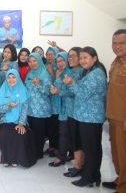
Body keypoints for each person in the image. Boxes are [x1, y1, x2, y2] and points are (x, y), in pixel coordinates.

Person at [63, 46, 107, 187]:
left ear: (94, 58)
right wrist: (73, 84)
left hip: (91, 117)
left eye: (85, 58)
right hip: (86, 117)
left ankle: (89, 177)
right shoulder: (89, 72)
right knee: (92, 148)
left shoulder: (96, 74)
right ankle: (93, 175)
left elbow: (82, 93)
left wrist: (71, 83)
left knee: (91, 149)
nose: (82, 61)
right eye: (80, 58)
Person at [0, 69, 37, 168]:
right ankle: (7, 159)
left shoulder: (23, 90)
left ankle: (16, 159)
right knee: (5, 132)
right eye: (9, 77)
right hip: (5, 120)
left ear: (18, 78)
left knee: (20, 132)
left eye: (14, 77)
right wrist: (8, 106)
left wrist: (21, 123)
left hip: (20, 120)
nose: (11, 80)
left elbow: (25, 109)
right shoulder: (2, 90)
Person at [103, 29, 126, 193]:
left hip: (123, 118)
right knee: (116, 153)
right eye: (114, 43)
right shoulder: (116, 62)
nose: (117, 46)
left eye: (122, 43)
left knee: (124, 154)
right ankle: (121, 180)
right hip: (113, 116)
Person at [25, 53, 52, 160]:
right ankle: (32, 151)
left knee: (39, 132)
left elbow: (48, 91)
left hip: (40, 109)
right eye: (30, 61)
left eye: (34, 61)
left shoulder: (44, 74)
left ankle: (38, 153)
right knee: (31, 132)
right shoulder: (30, 73)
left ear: (39, 61)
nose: (32, 64)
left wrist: (38, 85)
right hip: (30, 108)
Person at [63, 47, 84, 178]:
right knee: (75, 140)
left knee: (79, 140)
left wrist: (70, 84)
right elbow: (67, 92)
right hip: (71, 111)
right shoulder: (71, 72)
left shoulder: (83, 72)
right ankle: (77, 165)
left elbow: (78, 92)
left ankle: (80, 166)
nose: (70, 59)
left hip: (80, 112)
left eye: (73, 56)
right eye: (69, 56)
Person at [49, 52, 72, 167]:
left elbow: (66, 90)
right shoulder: (59, 73)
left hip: (68, 108)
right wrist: (57, 78)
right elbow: (55, 88)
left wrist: (57, 84)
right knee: (63, 132)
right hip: (60, 107)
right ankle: (64, 154)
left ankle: (62, 157)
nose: (60, 63)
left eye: (62, 60)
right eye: (58, 61)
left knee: (64, 133)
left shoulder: (70, 73)